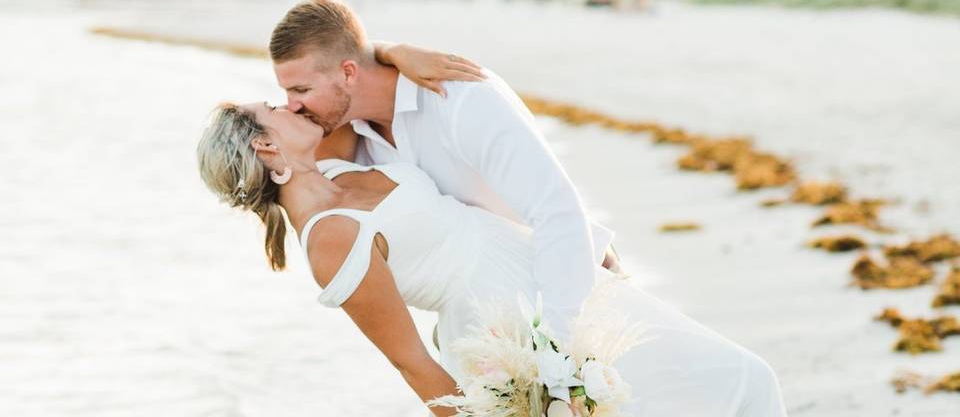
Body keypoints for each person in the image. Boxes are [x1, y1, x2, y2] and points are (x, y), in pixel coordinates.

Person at [196, 101, 789, 416]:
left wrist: (402, 51)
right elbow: (412, 363)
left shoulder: (338, 165)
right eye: (273, 107)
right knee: (730, 385)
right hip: (510, 330)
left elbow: (356, 76)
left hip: (544, 274)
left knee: (734, 382)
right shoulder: (329, 238)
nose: (289, 104)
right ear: (265, 144)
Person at [267, 0, 619, 336]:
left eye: (300, 90)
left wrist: (559, 349)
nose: (292, 106)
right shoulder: (346, 141)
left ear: (348, 73)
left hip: (582, 301)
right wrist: (390, 50)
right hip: (499, 330)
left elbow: (558, 213)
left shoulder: (460, 101)